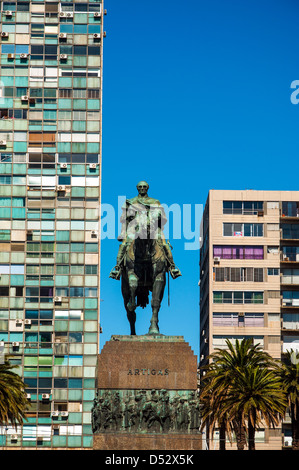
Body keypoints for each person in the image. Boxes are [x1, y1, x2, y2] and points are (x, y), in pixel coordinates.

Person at [109, 181, 181, 280]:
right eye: (140, 187)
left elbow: (163, 218)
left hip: (153, 228)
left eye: (144, 187)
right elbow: (123, 219)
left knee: (164, 243)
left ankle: (172, 266)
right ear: (137, 188)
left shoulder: (155, 202)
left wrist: (157, 217)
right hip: (134, 228)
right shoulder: (130, 202)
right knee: (124, 244)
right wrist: (123, 232)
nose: (142, 188)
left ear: (147, 188)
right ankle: (117, 267)